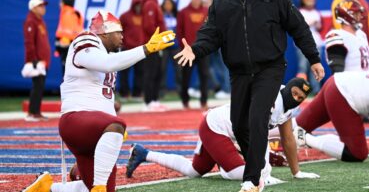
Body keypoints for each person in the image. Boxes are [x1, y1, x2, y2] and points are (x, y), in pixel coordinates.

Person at [173, 0, 325, 191]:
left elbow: (298, 26)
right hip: (239, 72)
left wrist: (313, 58)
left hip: (270, 68)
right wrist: (196, 50)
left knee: (257, 116)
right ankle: (259, 169)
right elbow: (210, 35)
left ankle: (253, 180)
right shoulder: (221, 2)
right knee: (239, 124)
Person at [21, 10, 175, 192]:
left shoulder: (105, 53)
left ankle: (47, 188)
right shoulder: (86, 40)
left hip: (93, 128)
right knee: (116, 126)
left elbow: (103, 95)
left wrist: (113, 131)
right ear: (105, 31)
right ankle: (99, 186)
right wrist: (146, 49)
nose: (122, 37)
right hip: (75, 119)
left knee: (98, 186)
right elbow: (107, 63)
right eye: (119, 32)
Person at [126, 78, 319, 187]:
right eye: (294, 94)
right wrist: (263, 170)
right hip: (217, 127)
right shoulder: (270, 98)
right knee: (245, 174)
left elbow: (288, 139)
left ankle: (144, 153)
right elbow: (257, 136)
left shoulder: (286, 107)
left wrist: (297, 172)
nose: (296, 99)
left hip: (224, 129)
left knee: (194, 171)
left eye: (300, 98)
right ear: (287, 89)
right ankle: (226, 164)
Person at [294, 71, 369, 162]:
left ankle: (279, 129)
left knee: (297, 125)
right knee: (358, 153)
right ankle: (303, 137)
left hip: (337, 81)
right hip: (342, 94)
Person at [177, 0, 209, 109]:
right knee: (186, 77)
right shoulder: (183, 12)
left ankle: (204, 101)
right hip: (188, 50)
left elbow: (211, 29)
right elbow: (179, 31)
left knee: (204, 76)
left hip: (202, 50)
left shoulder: (206, 11)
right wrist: (183, 47)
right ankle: (185, 101)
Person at [325, 0, 369, 74]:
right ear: (347, 16)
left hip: (368, 80)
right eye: (357, 14)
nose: (360, 17)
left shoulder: (361, 35)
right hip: (351, 82)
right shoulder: (337, 36)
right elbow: (338, 72)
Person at [23, 0, 51, 122]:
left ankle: (37, 112)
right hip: (37, 61)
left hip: (43, 60)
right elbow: (29, 42)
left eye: (43, 5)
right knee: (37, 86)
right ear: (33, 8)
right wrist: (33, 59)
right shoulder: (31, 21)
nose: (43, 8)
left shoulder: (40, 21)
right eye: (40, 6)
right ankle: (31, 113)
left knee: (40, 86)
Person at [142, 0, 168, 111]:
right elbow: (148, 26)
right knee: (151, 72)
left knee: (157, 72)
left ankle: (154, 99)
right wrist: (158, 39)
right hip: (152, 45)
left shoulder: (154, 3)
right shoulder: (150, 4)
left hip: (157, 44)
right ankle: (149, 101)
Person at [296, 0, 323, 95]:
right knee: (303, 67)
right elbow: (299, 27)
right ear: (303, 0)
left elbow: (320, 28)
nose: (310, 1)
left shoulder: (316, 12)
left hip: (317, 44)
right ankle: (301, 92)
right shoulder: (299, 12)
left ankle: (316, 91)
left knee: (316, 68)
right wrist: (311, 23)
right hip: (302, 45)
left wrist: (317, 25)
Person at [118, 0, 144, 101]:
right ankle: (124, 94)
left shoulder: (145, 16)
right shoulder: (125, 16)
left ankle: (137, 94)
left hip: (141, 49)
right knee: (124, 72)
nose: (139, 7)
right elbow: (119, 31)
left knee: (140, 72)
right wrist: (120, 43)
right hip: (127, 48)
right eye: (137, 5)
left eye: (140, 5)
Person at [55, 0, 84, 76]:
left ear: (64, 3)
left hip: (68, 48)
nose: (59, 4)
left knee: (67, 73)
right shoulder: (71, 13)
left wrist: (62, 48)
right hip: (71, 47)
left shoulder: (68, 14)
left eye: (61, 2)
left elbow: (67, 33)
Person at [160, 0, 182, 96]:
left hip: (175, 45)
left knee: (178, 68)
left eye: (170, 4)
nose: (168, 6)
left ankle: (180, 89)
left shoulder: (178, 16)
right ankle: (162, 90)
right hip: (163, 46)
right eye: (166, 4)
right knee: (162, 68)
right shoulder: (160, 15)